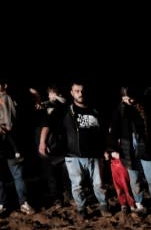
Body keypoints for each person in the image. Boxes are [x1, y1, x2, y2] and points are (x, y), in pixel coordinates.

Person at [41, 81, 110, 219]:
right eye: (77, 91)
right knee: (77, 185)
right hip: (73, 155)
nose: (80, 93)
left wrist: (106, 148)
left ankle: (103, 206)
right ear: (72, 93)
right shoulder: (65, 111)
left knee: (99, 184)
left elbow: (104, 132)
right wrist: (42, 142)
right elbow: (47, 124)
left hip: (95, 154)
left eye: (82, 91)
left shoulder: (96, 110)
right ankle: (81, 209)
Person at [108, 86, 151, 216]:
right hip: (128, 148)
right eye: (126, 98)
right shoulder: (119, 110)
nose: (129, 101)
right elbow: (114, 129)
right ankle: (139, 204)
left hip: (145, 146)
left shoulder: (144, 108)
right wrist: (112, 148)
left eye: (130, 98)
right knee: (134, 180)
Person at [0, 80, 35, 216]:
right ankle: (4, 203)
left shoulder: (5, 98)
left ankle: (23, 203)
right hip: (5, 143)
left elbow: (9, 124)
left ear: (5, 85)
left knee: (17, 174)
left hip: (9, 142)